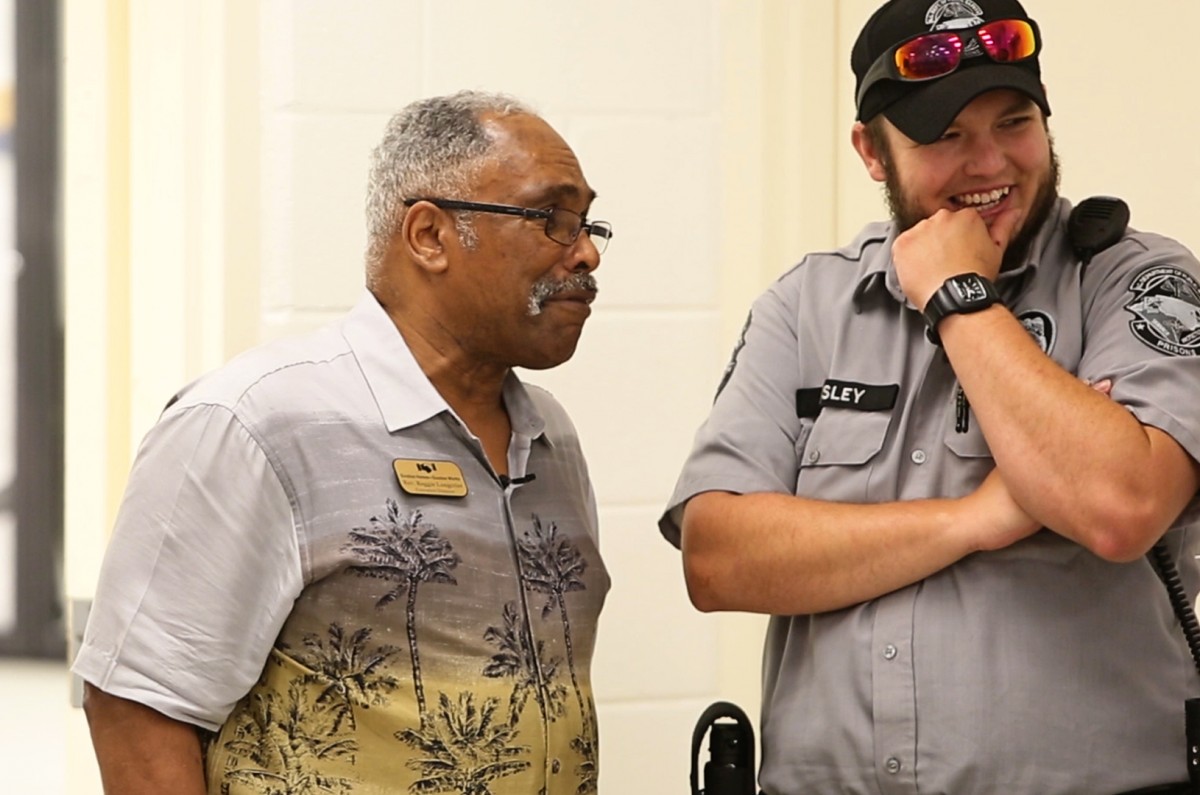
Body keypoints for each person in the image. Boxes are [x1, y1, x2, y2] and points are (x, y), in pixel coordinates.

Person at [660, 0, 1200, 792]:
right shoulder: (808, 302)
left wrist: (959, 295)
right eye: (944, 136)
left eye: (1014, 122)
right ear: (872, 153)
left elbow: (1119, 505)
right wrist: (972, 520)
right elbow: (719, 557)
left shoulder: (1134, 280)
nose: (989, 164)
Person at [73, 90, 612, 795]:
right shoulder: (255, 422)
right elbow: (136, 709)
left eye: (588, 221)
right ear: (429, 235)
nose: (588, 253)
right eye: (552, 218)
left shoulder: (551, 439)